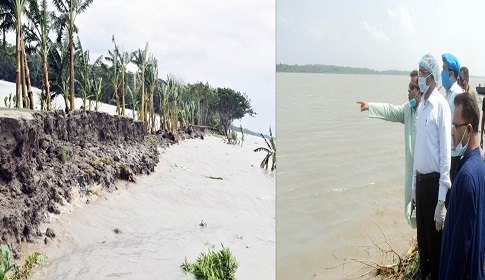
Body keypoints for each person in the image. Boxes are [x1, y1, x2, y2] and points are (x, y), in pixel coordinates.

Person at [356, 70, 420, 229]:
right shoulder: (407, 110)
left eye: (412, 86)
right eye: (408, 86)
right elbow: (390, 110)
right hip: (411, 169)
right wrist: (370, 106)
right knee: (413, 206)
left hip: (426, 171)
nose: (408, 90)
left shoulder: (428, 112)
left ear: (421, 90)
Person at [412, 53, 451, 280]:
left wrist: (441, 200)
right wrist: (414, 186)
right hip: (422, 182)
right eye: (418, 73)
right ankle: (424, 271)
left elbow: (445, 153)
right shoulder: (422, 105)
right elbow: (418, 150)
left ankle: (435, 274)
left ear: (433, 76)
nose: (419, 78)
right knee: (422, 237)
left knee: (435, 241)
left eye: (422, 73)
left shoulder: (441, 106)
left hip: (435, 183)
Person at [439, 93, 485, 280]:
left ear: (469, 129)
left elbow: (460, 247)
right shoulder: (478, 165)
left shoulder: (467, 177)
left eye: (456, 126)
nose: (451, 131)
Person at [442, 54, 463, 184]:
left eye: (444, 69)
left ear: (451, 74)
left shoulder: (457, 94)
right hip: (447, 153)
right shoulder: (448, 93)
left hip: (454, 154)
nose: (441, 72)